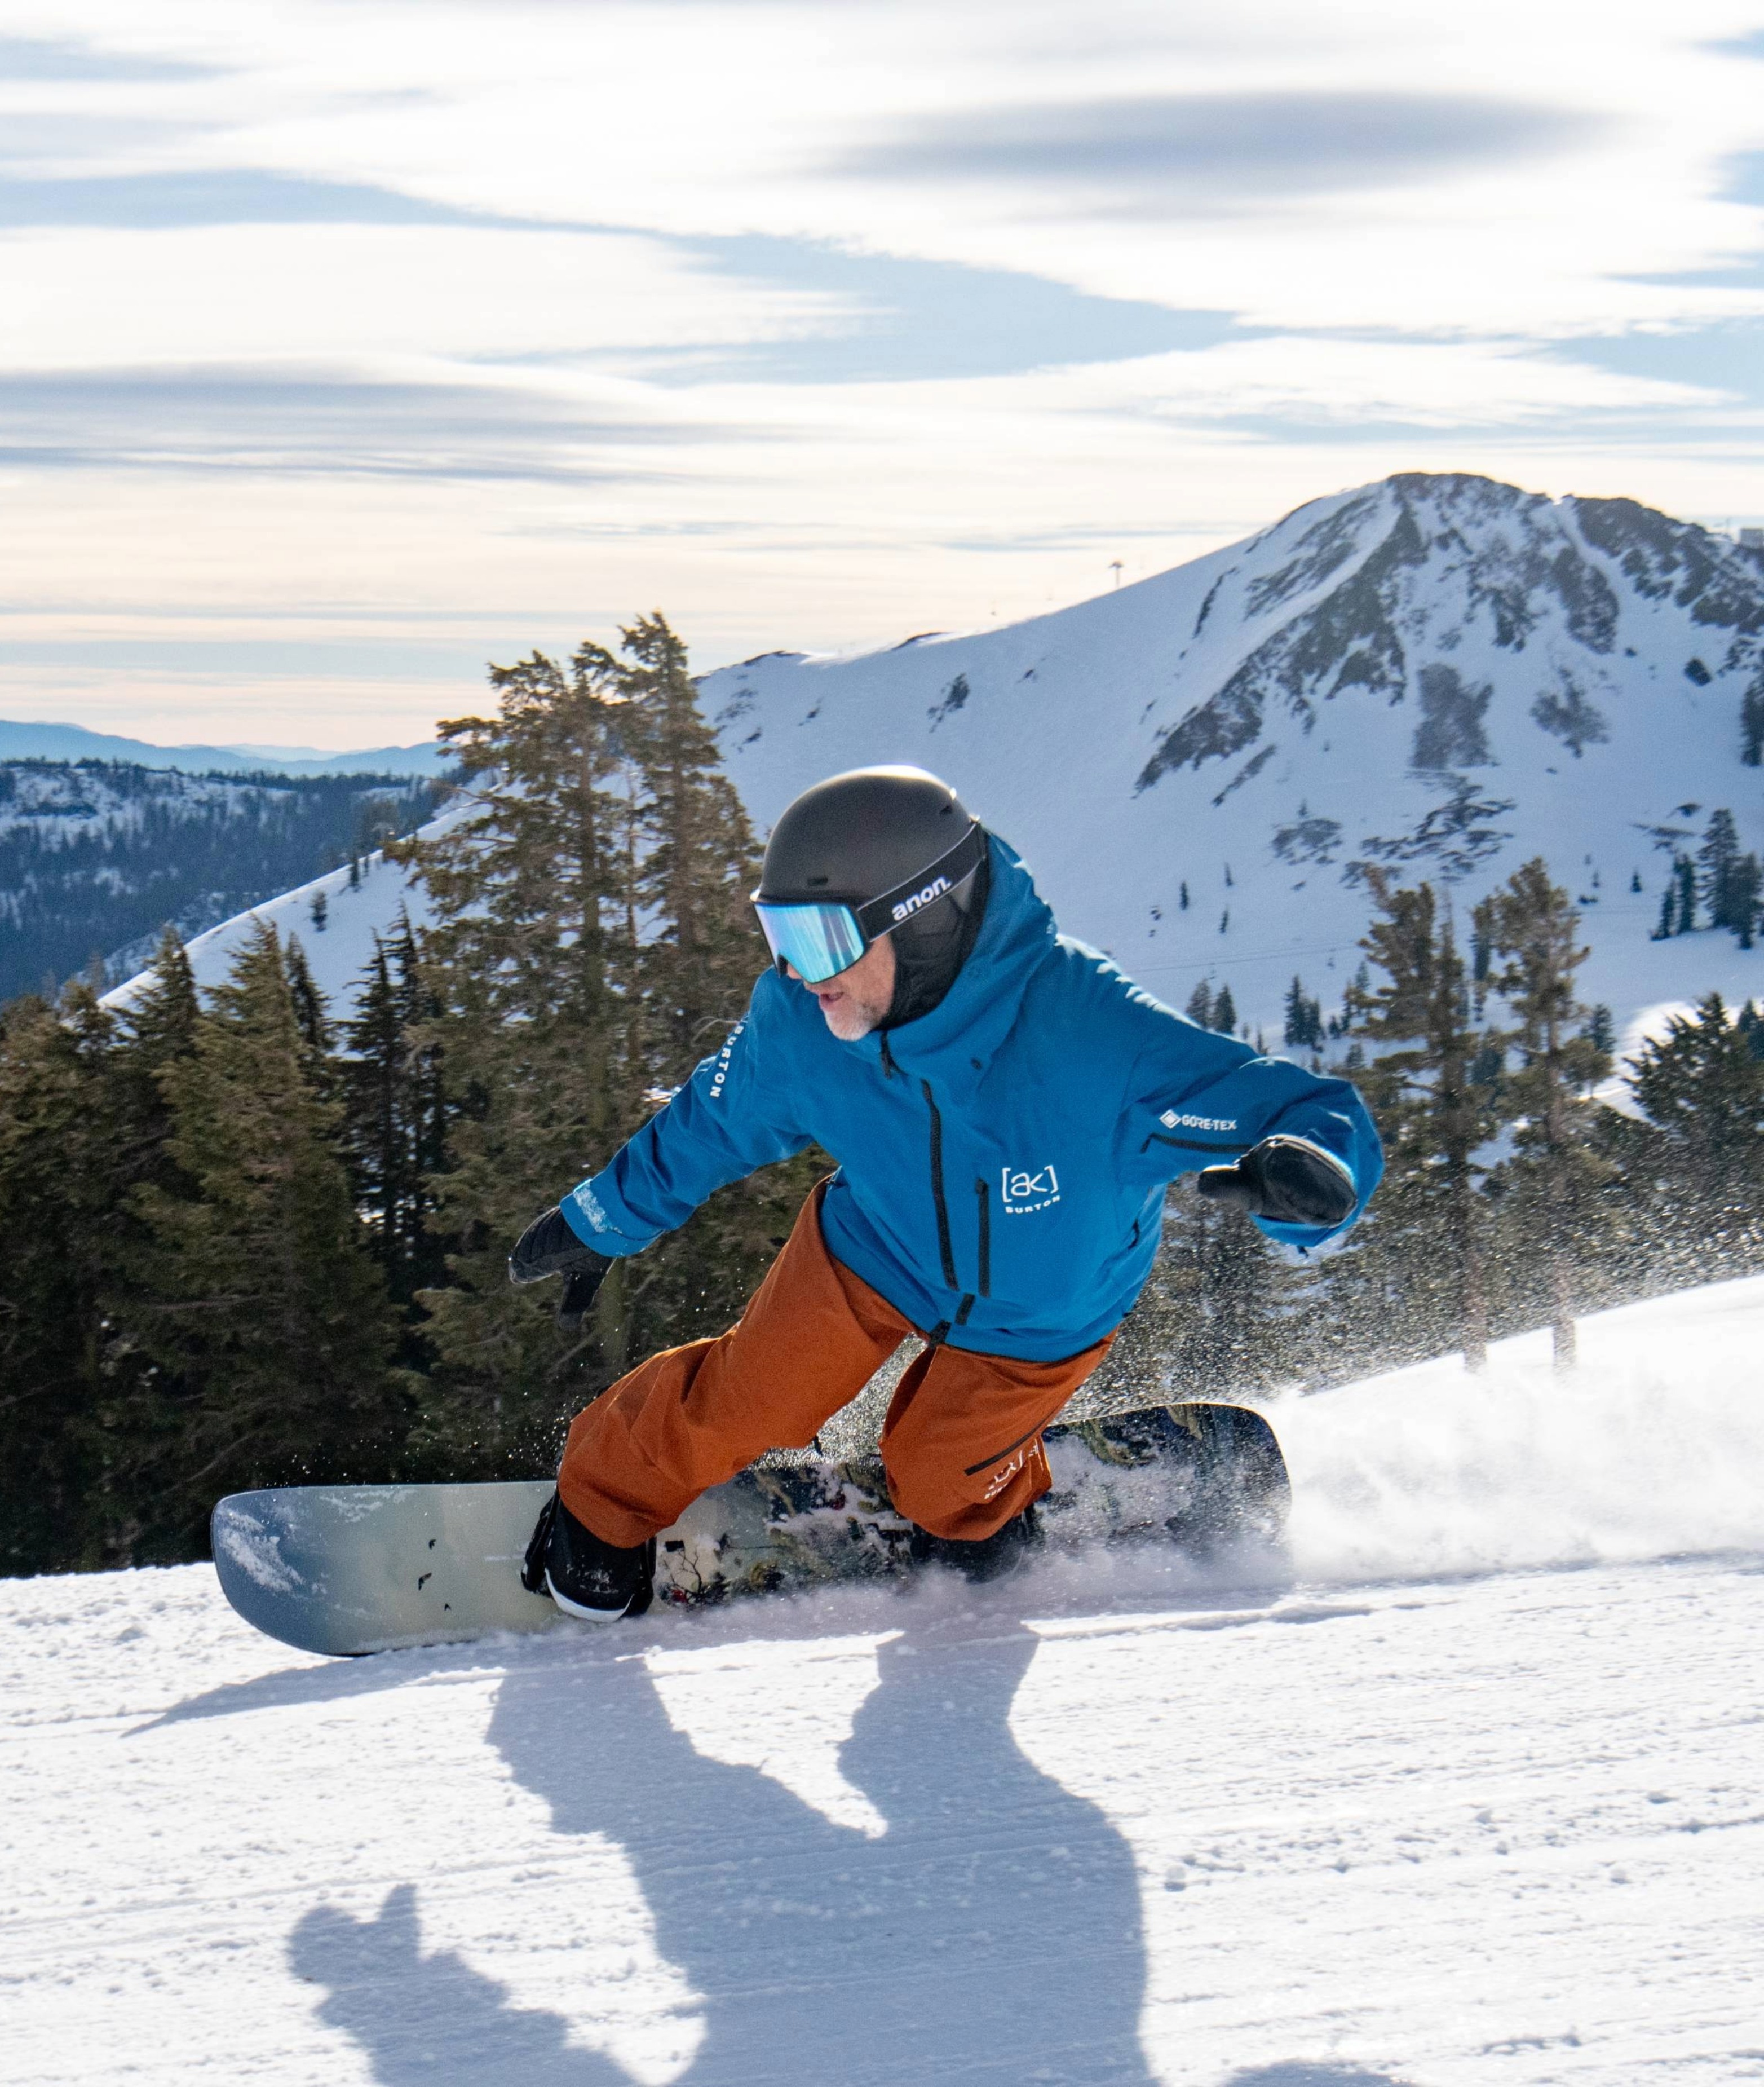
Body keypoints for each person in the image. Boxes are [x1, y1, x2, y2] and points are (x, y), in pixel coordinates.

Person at [509, 766, 1381, 1620]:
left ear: (923, 921)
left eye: (822, 941)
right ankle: (599, 1502)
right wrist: (603, 1219)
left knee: (939, 1480)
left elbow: (1303, 1111)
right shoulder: (805, 1021)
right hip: (875, 1246)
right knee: (756, 1394)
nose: (804, 975)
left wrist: (1311, 1172)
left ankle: (996, 1499)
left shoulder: (1091, 1033)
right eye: (781, 940)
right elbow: (713, 1121)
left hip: (1042, 1302)